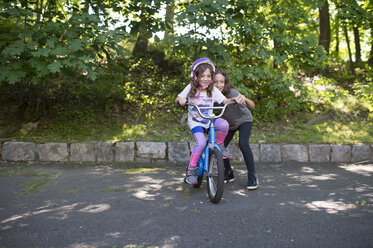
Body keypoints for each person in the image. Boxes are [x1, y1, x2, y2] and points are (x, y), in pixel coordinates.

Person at [175, 58, 233, 185]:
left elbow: (224, 101)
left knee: (224, 125)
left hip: (209, 120)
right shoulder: (191, 87)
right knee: (201, 143)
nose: (206, 79)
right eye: (202, 76)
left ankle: (220, 145)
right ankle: (191, 169)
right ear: (195, 76)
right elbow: (179, 97)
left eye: (208, 76)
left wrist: (233, 100)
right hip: (196, 122)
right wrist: (181, 101)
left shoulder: (212, 89)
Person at [214, 68, 258, 190]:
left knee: (243, 143)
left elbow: (252, 106)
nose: (218, 85)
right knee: (220, 145)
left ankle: (252, 176)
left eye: (221, 82)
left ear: (225, 82)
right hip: (229, 125)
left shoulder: (232, 92)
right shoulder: (211, 96)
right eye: (215, 82)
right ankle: (228, 172)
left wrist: (244, 99)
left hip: (244, 120)